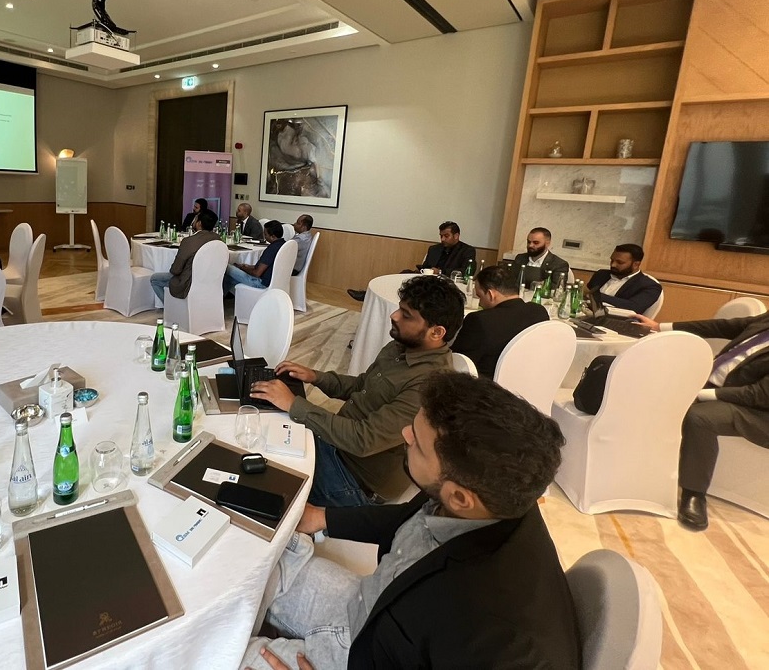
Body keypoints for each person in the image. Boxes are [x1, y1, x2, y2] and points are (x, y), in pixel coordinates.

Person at [242, 372, 580, 670]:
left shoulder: (496, 635)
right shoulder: (496, 493)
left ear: (460, 497)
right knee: (264, 563)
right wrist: (322, 517)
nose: (405, 434)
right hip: (369, 608)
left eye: (417, 442)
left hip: (364, 655)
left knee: (214, 659)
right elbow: (412, 519)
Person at [250, 275, 461, 506]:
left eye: (406, 315)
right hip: (339, 447)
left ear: (436, 332)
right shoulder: (402, 346)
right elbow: (363, 385)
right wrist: (315, 377)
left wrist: (293, 404)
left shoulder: (428, 386)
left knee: (265, 479)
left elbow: (363, 440)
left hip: (355, 481)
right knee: (263, 434)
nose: (394, 316)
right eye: (398, 309)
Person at [632, 310, 769, 531]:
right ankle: (641, 463)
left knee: (700, 418)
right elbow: (721, 327)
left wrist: (701, 393)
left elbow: (759, 395)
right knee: (654, 380)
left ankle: (694, 494)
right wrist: (661, 327)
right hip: (718, 384)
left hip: (756, 410)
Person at [450, 265, 549, 378]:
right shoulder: (539, 312)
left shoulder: (480, 320)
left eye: (479, 296)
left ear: (491, 294)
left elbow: (458, 362)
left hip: (487, 388)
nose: (480, 303)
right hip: (530, 381)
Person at [346, 221, 475, 302]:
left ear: (456, 236)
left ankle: (367, 296)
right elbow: (425, 266)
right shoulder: (434, 249)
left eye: (446, 236)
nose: (442, 239)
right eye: (441, 236)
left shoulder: (467, 251)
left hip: (447, 284)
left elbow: (466, 272)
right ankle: (367, 295)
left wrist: (440, 271)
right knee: (403, 274)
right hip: (427, 279)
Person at [150, 210, 222, 301]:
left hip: (189, 282)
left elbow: (176, 270)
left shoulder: (188, 241)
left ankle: (171, 307)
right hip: (212, 281)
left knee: (154, 279)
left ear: (199, 223)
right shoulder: (218, 240)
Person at [586, 244, 662, 315]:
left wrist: (594, 294)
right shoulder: (601, 274)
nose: (613, 265)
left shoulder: (650, 286)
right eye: (612, 260)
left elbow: (633, 307)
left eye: (620, 262)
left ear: (636, 265)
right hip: (588, 315)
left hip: (618, 322)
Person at [224, 219, 284, 295]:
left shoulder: (271, 249)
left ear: (273, 236)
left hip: (261, 283)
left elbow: (257, 273)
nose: (264, 237)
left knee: (226, 266)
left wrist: (243, 268)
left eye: (265, 234)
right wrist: (248, 266)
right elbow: (267, 266)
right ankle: (223, 296)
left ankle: (219, 297)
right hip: (275, 282)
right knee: (231, 277)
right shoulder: (283, 245)